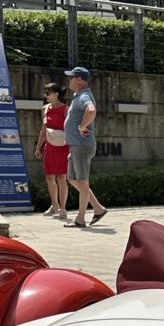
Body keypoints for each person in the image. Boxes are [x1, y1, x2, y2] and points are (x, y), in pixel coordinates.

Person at [62, 66, 110, 229]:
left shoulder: (84, 96)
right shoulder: (78, 96)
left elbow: (91, 110)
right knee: (72, 179)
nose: (69, 80)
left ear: (80, 80)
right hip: (76, 146)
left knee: (82, 182)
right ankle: (98, 208)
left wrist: (82, 126)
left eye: (72, 77)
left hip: (82, 146)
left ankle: (80, 219)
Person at [34, 82, 70, 220]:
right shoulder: (45, 109)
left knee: (61, 176)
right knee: (49, 177)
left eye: (48, 93)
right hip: (50, 145)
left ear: (56, 94)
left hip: (63, 145)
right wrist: (38, 147)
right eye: (45, 92)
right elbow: (44, 129)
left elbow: (70, 130)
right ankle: (54, 205)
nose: (45, 95)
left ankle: (63, 208)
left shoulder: (66, 109)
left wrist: (71, 148)